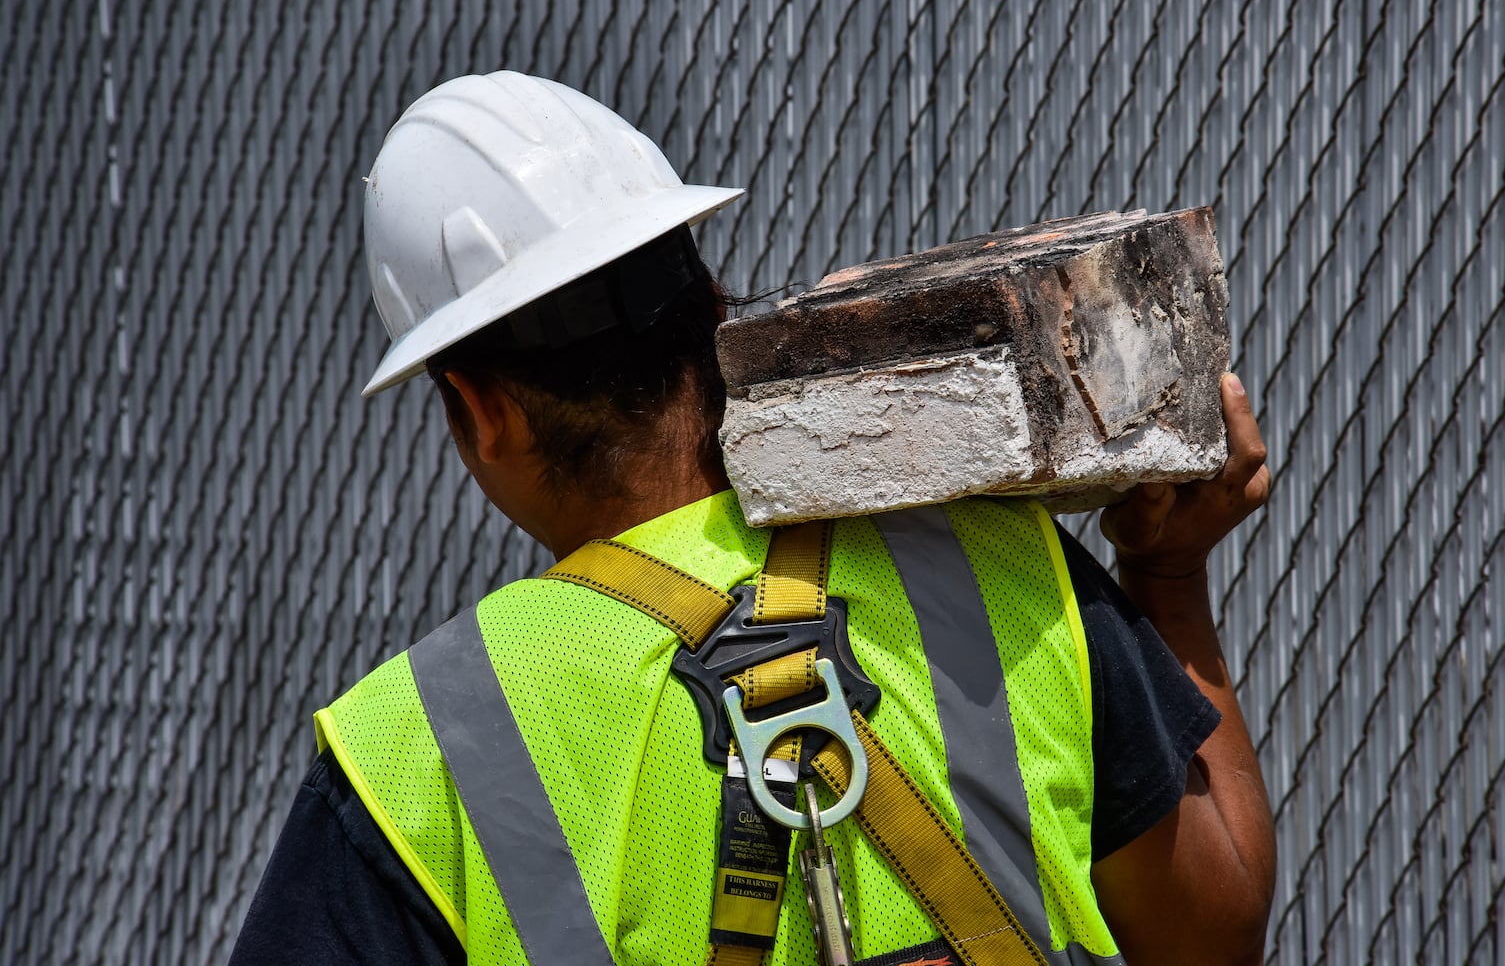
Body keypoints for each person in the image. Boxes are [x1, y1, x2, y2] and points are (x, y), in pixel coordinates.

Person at [232, 71, 1275, 965]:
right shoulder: (990, 555)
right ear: (712, 303)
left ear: (478, 409)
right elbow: (1208, 933)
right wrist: (1167, 578)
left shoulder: (421, 743)